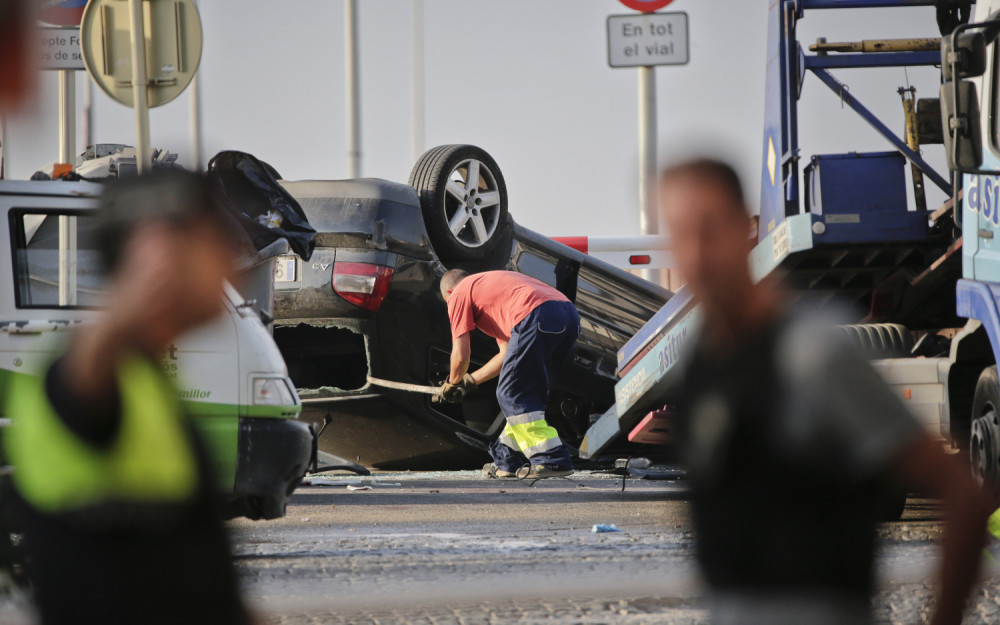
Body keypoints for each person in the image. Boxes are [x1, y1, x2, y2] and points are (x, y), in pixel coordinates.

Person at [660, 158, 994, 625]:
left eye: (710, 230)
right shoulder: (703, 358)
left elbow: (962, 495)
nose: (697, 254)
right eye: (680, 235)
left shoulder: (811, 353)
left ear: (748, 231)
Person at [2, 170, 253, 625]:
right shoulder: (90, 377)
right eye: (215, 239)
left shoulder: (147, 385)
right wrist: (131, 301)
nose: (233, 260)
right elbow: (80, 380)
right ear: (161, 253)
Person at [440, 269, 578, 479]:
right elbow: (505, 354)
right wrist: (470, 381)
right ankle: (508, 460)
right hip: (568, 315)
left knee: (512, 394)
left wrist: (452, 382)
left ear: (449, 292)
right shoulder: (491, 290)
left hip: (536, 313)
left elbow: (460, 355)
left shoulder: (459, 293)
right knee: (525, 396)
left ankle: (552, 458)